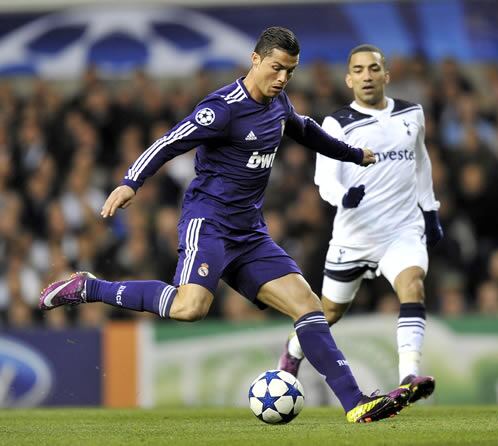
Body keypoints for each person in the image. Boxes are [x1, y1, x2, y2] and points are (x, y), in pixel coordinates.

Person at [39, 27, 411, 423]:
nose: (282, 78)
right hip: (210, 224)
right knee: (189, 307)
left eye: (290, 71)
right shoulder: (222, 109)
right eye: (276, 68)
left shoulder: (278, 103)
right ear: (255, 59)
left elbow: (307, 131)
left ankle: (355, 402)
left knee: (308, 306)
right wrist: (131, 182)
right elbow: (169, 141)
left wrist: (355, 155)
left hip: (250, 233)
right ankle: (89, 286)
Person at [277, 44, 443, 404]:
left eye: (373, 68)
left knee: (412, 285)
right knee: (329, 313)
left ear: (387, 75)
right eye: (359, 70)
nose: (367, 76)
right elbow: (324, 179)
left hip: (402, 230)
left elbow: (421, 163)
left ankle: (408, 375)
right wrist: (343, 197)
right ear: (349, 79)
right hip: (355, 236)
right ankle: (292, 350)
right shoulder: (337, 123)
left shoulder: (412, 113)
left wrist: (430, 211)